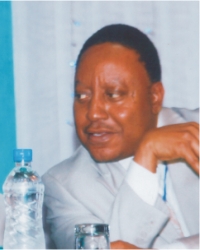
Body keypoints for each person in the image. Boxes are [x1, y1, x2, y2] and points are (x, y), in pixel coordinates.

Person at [43, 24, 199, 249]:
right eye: (82, 95)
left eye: (113, 94)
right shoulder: (64, 187)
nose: (93, 112)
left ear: (154, 97)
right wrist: (146, 155)